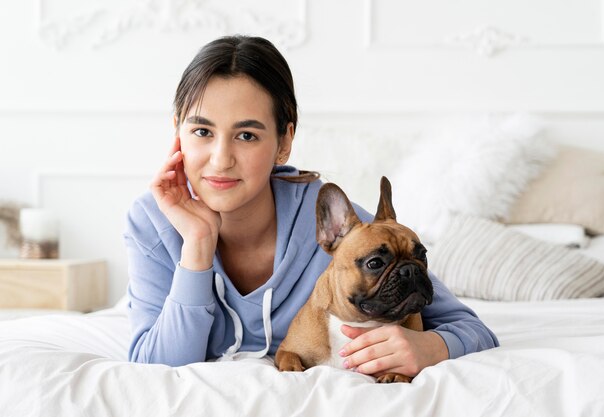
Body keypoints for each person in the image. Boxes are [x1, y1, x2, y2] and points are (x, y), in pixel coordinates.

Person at [124, 35, 498, 377]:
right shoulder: (152, 223)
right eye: (202, 131)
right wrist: (198, 245)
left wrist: (431, 347)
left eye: (247, 135)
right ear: (177, 132)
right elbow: (151, 369)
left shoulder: (343, 231)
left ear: (284, 142)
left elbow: (472, 329)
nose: (221, 159)